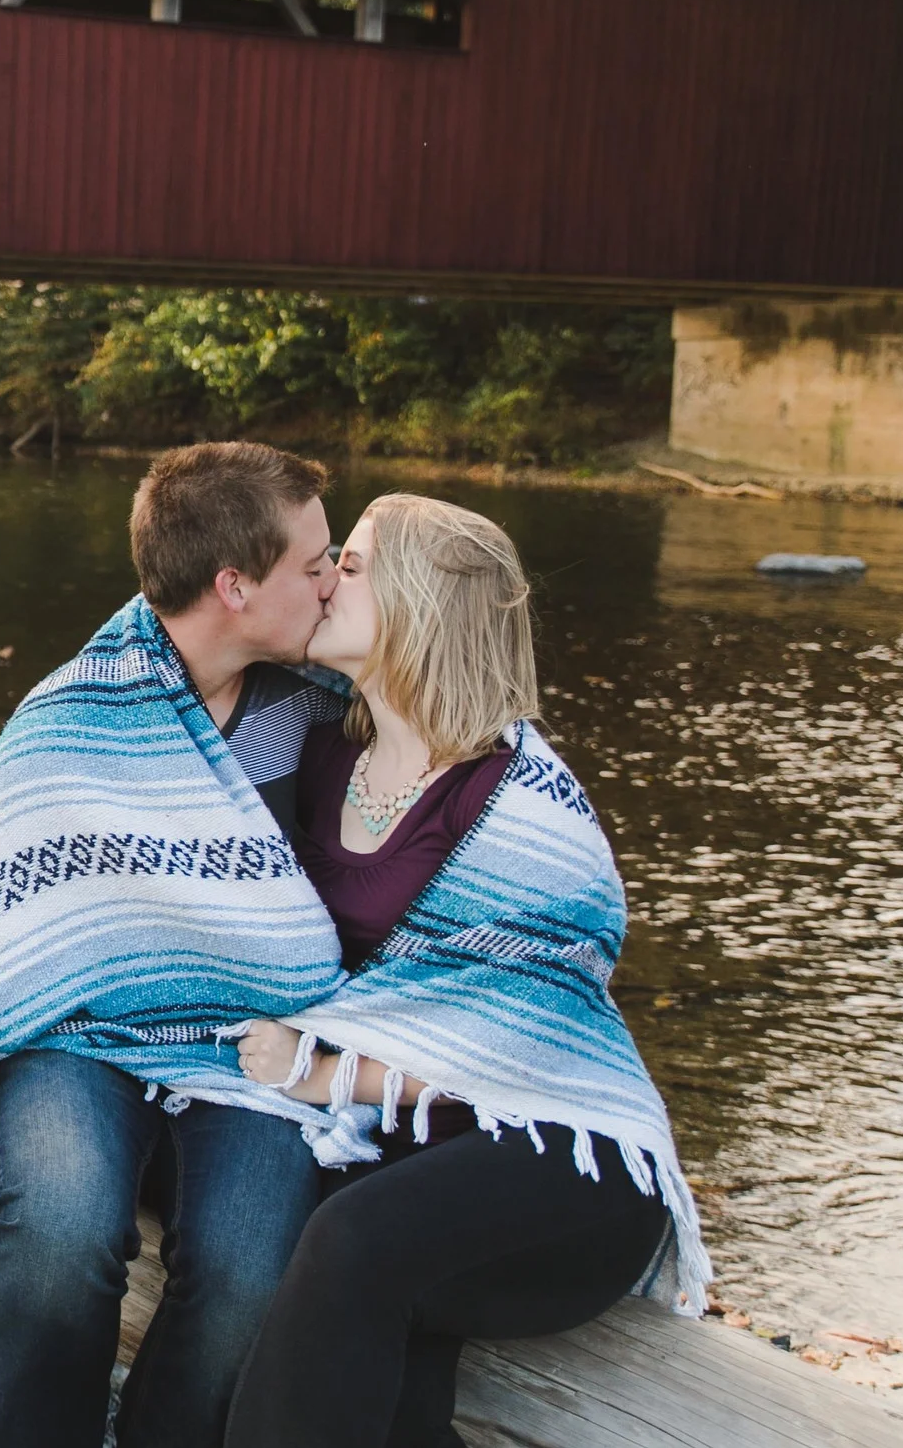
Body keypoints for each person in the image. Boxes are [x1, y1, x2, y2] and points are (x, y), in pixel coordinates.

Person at [0, 441, 351, 1448]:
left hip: (249, 1049)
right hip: (79, 1031)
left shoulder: (326, 708)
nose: (336, 577)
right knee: (63, 1227)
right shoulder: (72, 714)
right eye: (313, 562)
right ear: (233, 585)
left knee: (250, 1268)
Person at [222, 494, 710, 1448]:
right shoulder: (322, 753)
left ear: (420, 601)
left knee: (353, 1241)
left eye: (351, 566)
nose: (325, 580)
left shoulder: (523, 804)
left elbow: (522, 1043)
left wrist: (324, 1072)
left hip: (564, 1160)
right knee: (355, 1300)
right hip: (408, 1142)